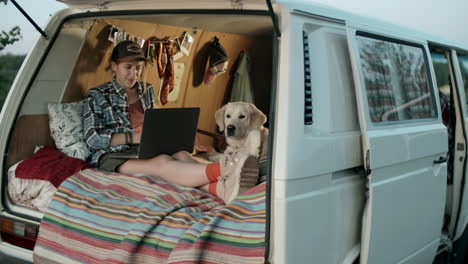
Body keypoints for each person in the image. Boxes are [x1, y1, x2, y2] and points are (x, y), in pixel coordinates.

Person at [81, 40, 257, 203]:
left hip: (145, 147)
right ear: (114, 66)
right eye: (128, 67)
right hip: (113, 156)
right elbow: (93, 139)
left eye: (139, 68)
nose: (134, 74)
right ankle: (227, 170)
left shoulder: (146, 89)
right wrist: (136, 137)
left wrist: (180, 133)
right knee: (163, 162)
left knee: (182, 155)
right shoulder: (97, 95)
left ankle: (222, 189)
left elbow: (155, 117)